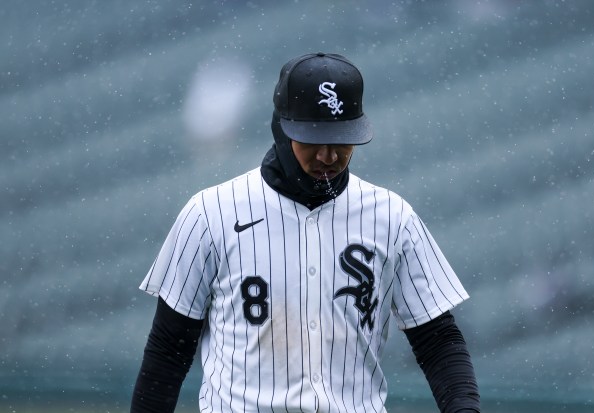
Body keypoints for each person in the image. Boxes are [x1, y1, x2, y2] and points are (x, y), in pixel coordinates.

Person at [131, 52, 480, 413]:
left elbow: (438, 340)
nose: (329, 156)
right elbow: (169, 350)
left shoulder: (393, 217)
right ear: (281, 128)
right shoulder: (210, 213)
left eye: (342, 140)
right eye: (314, 139)